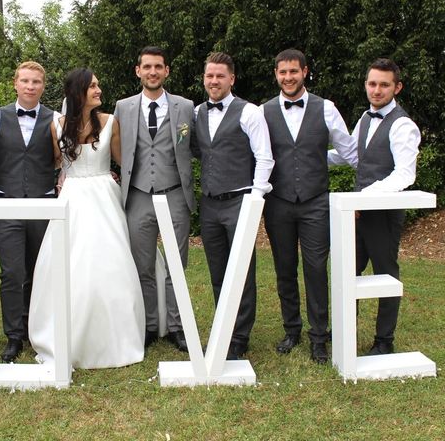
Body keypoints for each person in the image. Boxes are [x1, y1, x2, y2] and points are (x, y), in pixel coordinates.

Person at [28, 68, 145, 368]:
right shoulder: (56, 126)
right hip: (72, 199)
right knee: (71, 265)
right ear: (78, 92)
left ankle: (114, 336)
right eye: (92, 86)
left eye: (98, 84)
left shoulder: (110, 122)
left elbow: (123, 161)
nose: (98, 90)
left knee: (110, 264)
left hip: (105, 197)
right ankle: (68, 334)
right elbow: (58, 163)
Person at [260, 49, 357, 364]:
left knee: (316, 269)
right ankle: (292, 330)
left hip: (316, 202)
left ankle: (319, 337)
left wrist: (321, 157)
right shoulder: (262, 112)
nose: (288, 77)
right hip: (278, 203)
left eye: (293, 71)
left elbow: (349, 152)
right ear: (276, 75)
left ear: (305, 72)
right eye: (282, 72)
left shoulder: (326, 108)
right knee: (284, 269)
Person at [330, 58, 420, 355]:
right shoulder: (366, 118)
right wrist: (311, 157)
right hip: (355, 214)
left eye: (384, 84)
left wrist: (364, 198)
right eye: (372, 83)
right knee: (348, 270)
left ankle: (384, 340)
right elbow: (352, 156)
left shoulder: (403, 125)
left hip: (382, 214)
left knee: (385, 274)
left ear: (397, 87)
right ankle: (345, 329)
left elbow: (405, 174)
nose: (377, 90)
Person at [192, 52, 274, 360]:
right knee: (217, 270)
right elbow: (202, 153)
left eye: (220, 76)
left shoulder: (248, 112)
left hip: (240, 200)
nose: (214, 81)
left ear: (232, 79)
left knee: (242, 269)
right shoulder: (198, 112)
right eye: (209, 76)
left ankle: (240, 336)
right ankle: (223, 328)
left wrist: (256, 198)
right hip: (210, 203)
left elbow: (265, 157)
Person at [114, 46, 195, 352]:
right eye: (146, 67)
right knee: (142, 266)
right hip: (137, 196)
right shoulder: (123, 107)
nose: (152, 72)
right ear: (138, 71)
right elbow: (114, 145)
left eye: (158, 67)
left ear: (166, 71)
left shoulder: (185, 107)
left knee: (177, 265)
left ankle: (177, 325)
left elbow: (195, 147)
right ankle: (148, 325)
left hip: (174, 193)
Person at [0, 61, 60, 363]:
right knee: (11, 273)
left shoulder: (55, 119)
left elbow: (64, 158)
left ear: (43, 86)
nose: (30, 86)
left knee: (40, 272)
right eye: (25, 81)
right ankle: (13, 336)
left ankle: (37, 331)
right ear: (15, 84)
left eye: (36, 82)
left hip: (43, 204)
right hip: (6, 203)